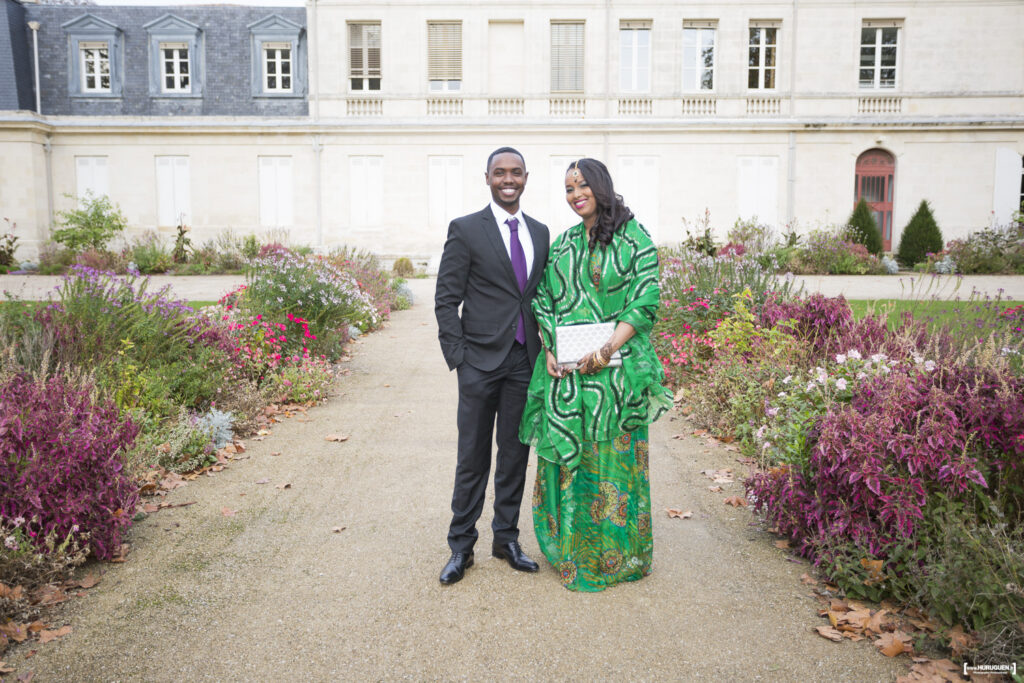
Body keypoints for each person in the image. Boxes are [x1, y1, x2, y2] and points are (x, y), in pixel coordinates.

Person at [519, 158, 672, 592]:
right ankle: (576, 550)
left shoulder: (634, 237)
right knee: (578, 460)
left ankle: (618, 554)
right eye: (568, 188)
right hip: (569, 376)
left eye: (582, 184)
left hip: (616, 374)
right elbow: (544, 298)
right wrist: (549, 348)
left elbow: (645, 300)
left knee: (613, 461)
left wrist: (606, 351)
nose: (575, 194)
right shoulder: (565, 243)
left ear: (601, 186)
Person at [434, 147, 551, 585]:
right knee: (472, 459)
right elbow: (446, 299)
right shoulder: (465, 230)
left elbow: (538, 297)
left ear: (526, 177)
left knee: (515, 456)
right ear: (487, 178)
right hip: (479, 363)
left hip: (525, 361)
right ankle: (460, 547)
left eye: (516, 172)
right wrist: (460, 359)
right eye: (500, 172)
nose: (508, 179)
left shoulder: (540, 232)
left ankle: (506, 540)